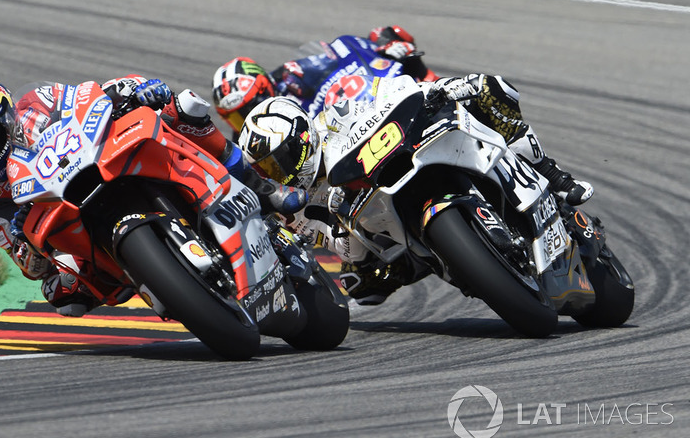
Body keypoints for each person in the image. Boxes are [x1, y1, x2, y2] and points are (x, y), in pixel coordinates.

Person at [0, 77, 307, 317]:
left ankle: (263, 188)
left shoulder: (38, 102)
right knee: (62, 294)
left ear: (6, 118)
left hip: (101, 161)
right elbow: (28, 266)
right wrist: (28, 244)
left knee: (182, 109)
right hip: (68, 219)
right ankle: (153, 276)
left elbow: (90, 97)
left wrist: (134, 89)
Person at [236, 73, 594, 305]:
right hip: (383, 232)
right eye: (268, 170)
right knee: (363, 286)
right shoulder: (295, 207)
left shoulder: (333, 118)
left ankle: (552, 174)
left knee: (490, 89)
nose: (278, 173)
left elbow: (386, 91)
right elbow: (342, 249)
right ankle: (464, 263)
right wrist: (336, 226)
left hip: (411, 156)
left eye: (278, 160)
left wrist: (433, 91)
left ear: (301, 137)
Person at [211, 25, 439, 134]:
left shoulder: (290, 76)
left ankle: (440, 87)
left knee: (390, 34)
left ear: (264, 88)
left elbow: (336, 56)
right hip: (339, 146)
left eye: (247, 109)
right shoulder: (248, 138)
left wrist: (382, 48)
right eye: (234, 118)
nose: (247, 119)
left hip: (363, 105)